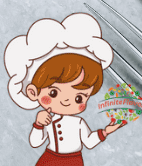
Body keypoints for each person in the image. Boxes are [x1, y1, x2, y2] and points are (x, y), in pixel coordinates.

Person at [5, 14, 126, 166]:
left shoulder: (79, 122)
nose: (67, 100)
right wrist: (38, 125)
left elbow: (88, 142)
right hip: (49, 160)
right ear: (33, 92)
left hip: (74, 161)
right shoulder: (47, 120)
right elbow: (35, 143)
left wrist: (106, 131)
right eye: (53, 92)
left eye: (79, 98)